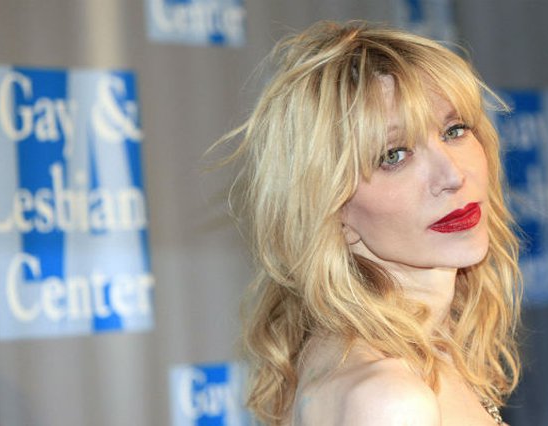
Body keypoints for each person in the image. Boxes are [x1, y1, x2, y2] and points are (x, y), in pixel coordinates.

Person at [216, 21, 522, 425]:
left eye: (454, 130)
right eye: (394, 155)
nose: (452, 175)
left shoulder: (359, 352)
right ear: (332, 209)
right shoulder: (391, 400)